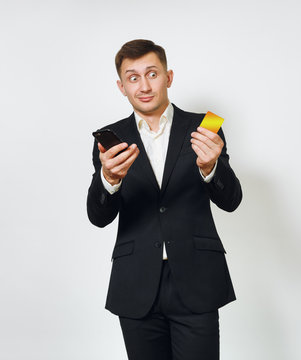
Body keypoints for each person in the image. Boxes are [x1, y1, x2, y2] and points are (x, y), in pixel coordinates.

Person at [86, 39, 242, 360]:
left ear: (168, 77)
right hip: (136, 282)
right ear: (122, 86)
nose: (144, 85)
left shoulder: (206, 127)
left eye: (152, 74)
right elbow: (98, 216)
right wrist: (110, 180)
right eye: (133, 77)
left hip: (197, 279)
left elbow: (231, 200)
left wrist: (211, 167)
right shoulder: (109, 139)